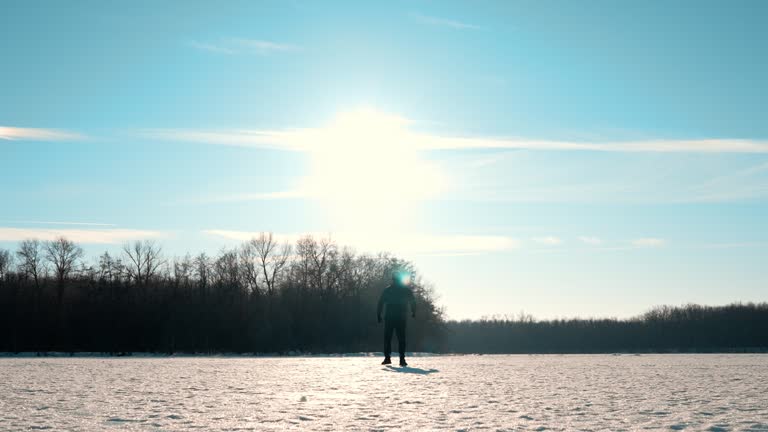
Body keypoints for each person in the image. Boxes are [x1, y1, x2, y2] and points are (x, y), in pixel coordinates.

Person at [377, 271, 416, 366]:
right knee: (401, 339)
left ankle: (388, 358)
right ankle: (401, 359)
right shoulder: (405, 290)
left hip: (390, 317)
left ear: (393, 280)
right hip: (400, 317)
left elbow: (380, 303)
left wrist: (378, 315)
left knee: (388, 338)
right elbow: (413, 301)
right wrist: (413, 311)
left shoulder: (388, 290)